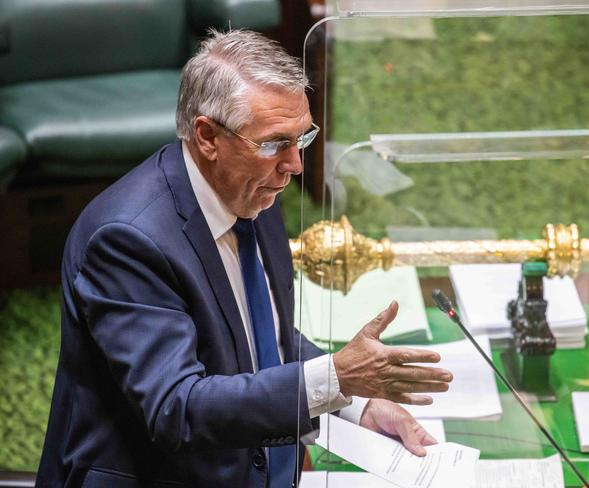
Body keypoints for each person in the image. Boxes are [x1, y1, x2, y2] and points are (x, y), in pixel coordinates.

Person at [36, 29, 453, 488]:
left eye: (303, 139)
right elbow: (177, 407)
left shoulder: (253, 192)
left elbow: (261, 336)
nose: (294, 165)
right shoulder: (126, 241)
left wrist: (356, 400)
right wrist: (333, 377)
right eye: (275, 143)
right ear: (207, 136)